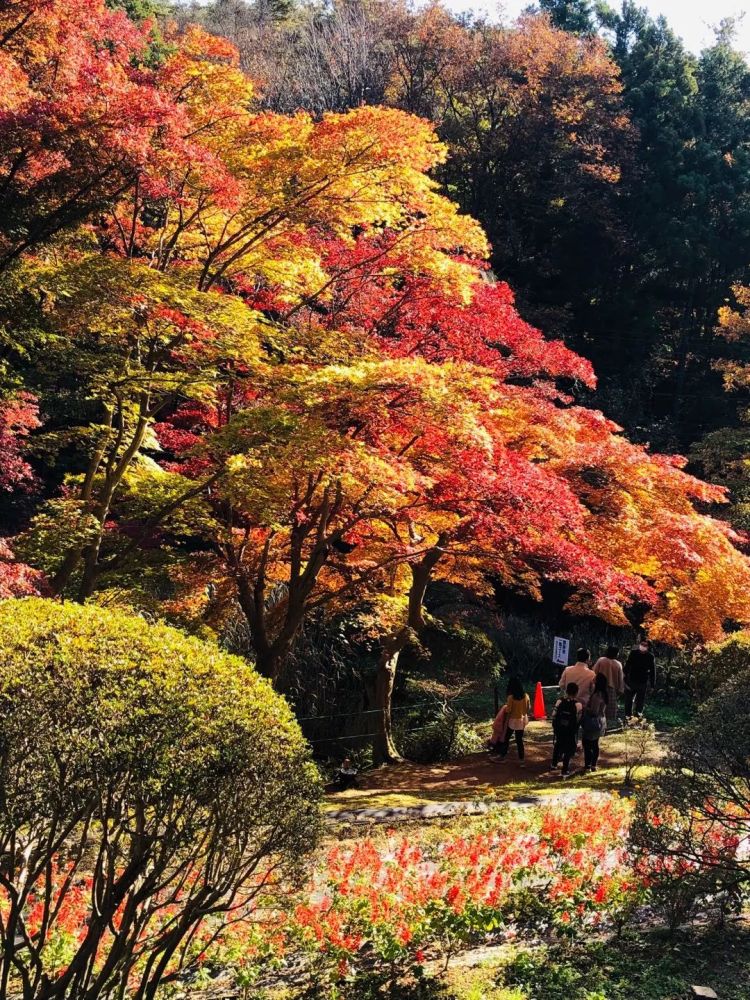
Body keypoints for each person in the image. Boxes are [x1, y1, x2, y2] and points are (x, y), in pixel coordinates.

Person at [497, 676, 530, 766]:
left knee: (506, 738)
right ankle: (522, 760)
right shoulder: (526, 696)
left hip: (512, 720)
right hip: (522, 720)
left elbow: (508, 710)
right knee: (519, 740)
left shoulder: (511, 697)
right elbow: (528, 708)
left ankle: (502, 756)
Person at [550, 682, 581, 777]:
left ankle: (554, 764)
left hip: (559, 728)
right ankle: (565, 769)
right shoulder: (578, 704)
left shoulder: (559, 701)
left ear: (566, 691)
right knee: (569, 748)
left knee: (558, 744)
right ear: (576, 692)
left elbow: (553, 714)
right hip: (570, 729)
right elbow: (579, 718)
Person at [624, 638, 656, 720]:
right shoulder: (633, 653)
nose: (643, 646)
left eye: (645, 645)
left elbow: (653, 671)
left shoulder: (650, 656)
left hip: (643, 681)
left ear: (648, 647)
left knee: (640, 701)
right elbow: (627, 665)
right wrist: (624, 678)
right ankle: (628, 717)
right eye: (642, 644)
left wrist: (652, 685)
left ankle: (638, 717)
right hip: (631, 679)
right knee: (628, 700)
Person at [582, 673, 608, 771]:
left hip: (593, 722)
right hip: (601, 721)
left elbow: (594, 711)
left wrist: (585, 707)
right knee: (595, 743)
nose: (593, 679)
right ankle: (593, 765)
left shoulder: (597, 695)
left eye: (595, 678)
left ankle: (588, 765)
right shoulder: (604, 694)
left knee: (587, 743)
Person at [593, 644, 624, 722]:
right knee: (609, 711)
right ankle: (606, 726)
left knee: (597, 707)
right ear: (616, 654)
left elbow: (594, 673)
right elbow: (620, 679)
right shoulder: (618, 664)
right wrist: (620, 690)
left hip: (599, 688)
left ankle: (597, 724)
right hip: (612, 690)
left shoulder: (601, 660)